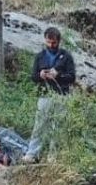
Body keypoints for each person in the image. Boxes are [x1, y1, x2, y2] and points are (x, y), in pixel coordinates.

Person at [25, 26, 77, 162]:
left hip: (61, 95)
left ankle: (53, 155)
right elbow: (33, 77)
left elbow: (72, 77)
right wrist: (41, 75)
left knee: (58, 125)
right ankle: (32, 154)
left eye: (53, 42)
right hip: (45, 95)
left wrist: (57, 75)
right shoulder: (40, 56)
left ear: (58, 41)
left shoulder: (66, 56)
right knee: (40, 125)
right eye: (48, 42)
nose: (51, 45)